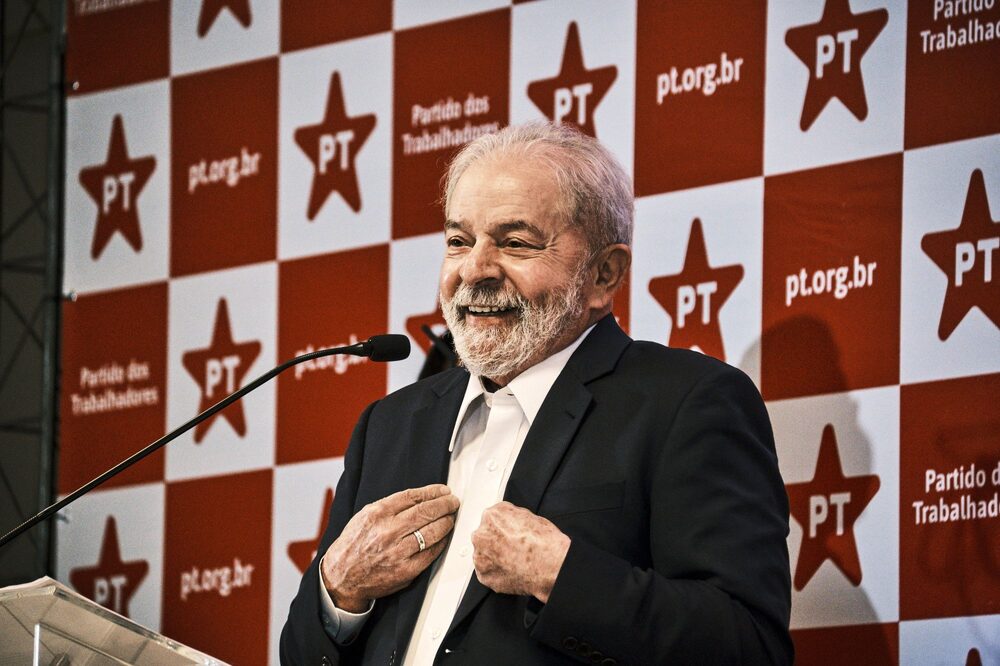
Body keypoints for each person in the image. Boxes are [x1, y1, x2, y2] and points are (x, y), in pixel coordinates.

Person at [280, 122, 792, 665]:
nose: (474, 269)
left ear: (604, 274)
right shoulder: (390, 424)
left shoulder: (686, 404)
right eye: (458, 240)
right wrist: (338, 592)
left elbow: (748, 646)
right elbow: (299, 655)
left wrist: (562, 576)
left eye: (515, 243)